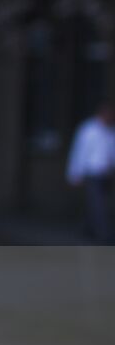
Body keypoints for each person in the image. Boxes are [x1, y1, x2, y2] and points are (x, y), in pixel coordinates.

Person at [66, 103, 115, 244]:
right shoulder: (88, 130)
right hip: (92, 172)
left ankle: (87, 228)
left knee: (95, 203)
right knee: (98, 204)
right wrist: (75, 172)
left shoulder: (110, 131)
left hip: (106, 173)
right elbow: (80, 151)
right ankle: (104, 234)